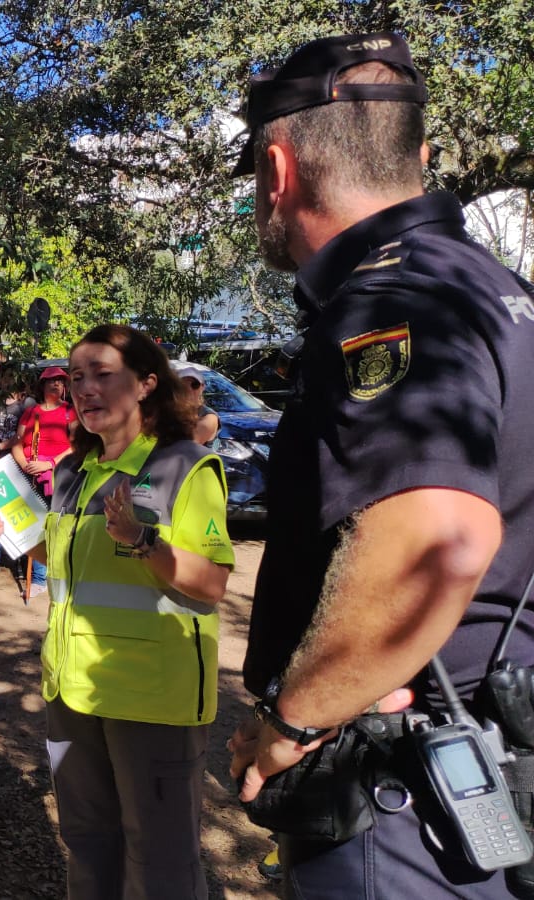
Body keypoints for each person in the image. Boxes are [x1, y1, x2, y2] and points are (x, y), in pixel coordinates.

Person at [225, 33, 533, 897]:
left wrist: (294, 719)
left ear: (278, 171)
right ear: (421, 157)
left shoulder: (388, 302)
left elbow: (434, 535)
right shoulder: (494, 288)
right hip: (485, 767)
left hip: (408, 806)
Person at [0, 324, 233, 898]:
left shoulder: (184, 465)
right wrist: (14, 533)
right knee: (88, 839)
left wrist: (144, 542)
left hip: (151, 697)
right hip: (72, 689)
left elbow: (213, 582)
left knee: (159, 857)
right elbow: (66, 560)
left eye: (102, 375)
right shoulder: (73, 469)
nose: (84, 388)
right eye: (76, 377)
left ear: (145, 384)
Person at [13, 366, 76, 600]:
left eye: (60, 381)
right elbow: (18, 443)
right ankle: (33, 573)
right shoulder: (31, 412)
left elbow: (77, 445)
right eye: (51, 381)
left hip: (58, 476)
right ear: (42, 385)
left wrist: (49, 464)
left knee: (50, 523)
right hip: (29, 475)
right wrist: (25, 464)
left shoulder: (70, 412)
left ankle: (42, 577)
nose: (56, 384)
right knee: (32, 522)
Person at [0, 356, 34, 578]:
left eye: (12, 376)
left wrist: (0, 447)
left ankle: (19, 559)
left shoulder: (26, 403)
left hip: (16, 461)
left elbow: (24, 434)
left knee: (17, 510)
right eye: (6, 375)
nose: (8, 380)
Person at [171, 362, 218, 445]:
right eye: (182, 384)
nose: (188, 389)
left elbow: (190, 444)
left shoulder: (209, 417)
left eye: (194, 385)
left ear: (202, 387)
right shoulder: (169, 410)